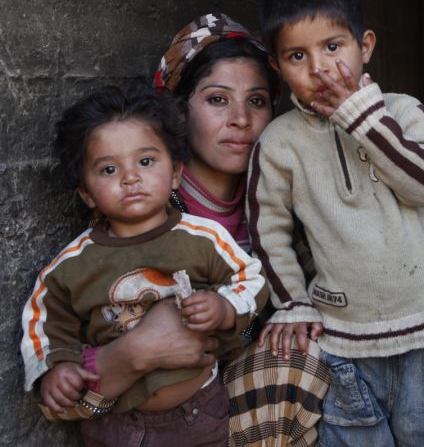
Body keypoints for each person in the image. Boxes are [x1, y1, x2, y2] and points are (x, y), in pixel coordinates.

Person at [26, 13, 424, 445]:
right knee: (301, 356)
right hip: (145, 410)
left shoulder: (292, 191)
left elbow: (374, 265)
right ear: (177, 111)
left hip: (234, 404)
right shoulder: (142, 212)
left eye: (258, 101)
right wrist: (132, 354)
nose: (240, 120)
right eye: (217, 99)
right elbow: (68, 382)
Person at [247, 0, 424, 446]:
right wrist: (292, 304)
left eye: (333, 47)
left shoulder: (404, 112)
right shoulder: (279, 142)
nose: (319, 68)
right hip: (340, 341)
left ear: (366, 46)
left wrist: (363, 119)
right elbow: (268, 230)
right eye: (298, 56)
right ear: (277, 67)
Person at [20, 84, 268, 446]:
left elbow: (252, 278)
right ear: (86, 193)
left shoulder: (201, 237)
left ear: (175, 174)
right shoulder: (71, 265)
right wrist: (54, 370)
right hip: (114, 423)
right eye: (108, 169)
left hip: (196, 414)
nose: (130, 177)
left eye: (146, 161)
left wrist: (225, 307)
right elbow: (42, 323)